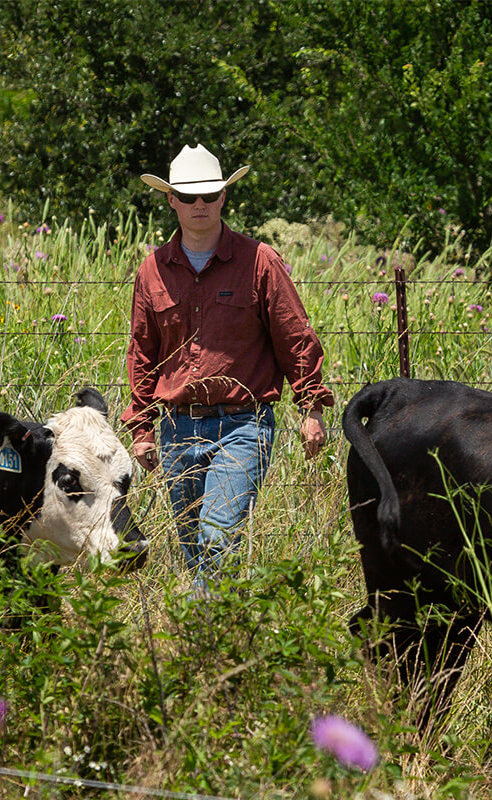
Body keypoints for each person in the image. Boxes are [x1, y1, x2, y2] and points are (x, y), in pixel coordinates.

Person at [124, 144, 333, 592]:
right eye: (189, 196)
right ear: (171, 200)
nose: (199, 205)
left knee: (218, 537)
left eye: (209, 195)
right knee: (193, 550)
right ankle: (218, 643)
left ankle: (201, 642)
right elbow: (142, 353)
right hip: (178, 429)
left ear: (223, 198)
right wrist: (141, 428)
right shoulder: (152, 270)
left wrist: (312, 406)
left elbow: (294, 335)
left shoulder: (260, 261)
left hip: (244, 425)